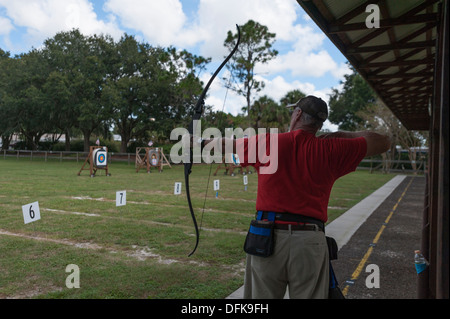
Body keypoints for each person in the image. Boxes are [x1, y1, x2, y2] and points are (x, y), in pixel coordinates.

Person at [200, 95, 390, 298]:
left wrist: (201, 141)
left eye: (293, 111)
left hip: (267, 238)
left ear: (298, 114)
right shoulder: (333, 149)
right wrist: (342, 135)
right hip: (310, 241)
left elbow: (227, 144)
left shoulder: (270, 143)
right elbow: (383, 142)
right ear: (318, 124)